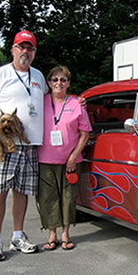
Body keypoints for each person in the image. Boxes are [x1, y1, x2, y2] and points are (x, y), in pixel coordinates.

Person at [0, 30, 46, 261]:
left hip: (29, 145)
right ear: (13, 49)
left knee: (22, 192)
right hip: (4, 145)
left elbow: (50, 100)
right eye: (21, 47)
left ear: (34, 52)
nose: (25, 51)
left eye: (30, 48)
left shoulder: (38, 76)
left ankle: (18, 236)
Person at [36, 66, 92, 251]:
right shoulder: (40, 101)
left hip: (70, 161)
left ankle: (65, 234)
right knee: (48, 197)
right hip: (45, 159)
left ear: (68, 83)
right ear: (49, 83)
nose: (58, 83)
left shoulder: (77, 103)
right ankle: (52, 235)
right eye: (55, 80)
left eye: (63, 79)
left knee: (68, 197)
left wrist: (73, 156)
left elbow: (85, 133)